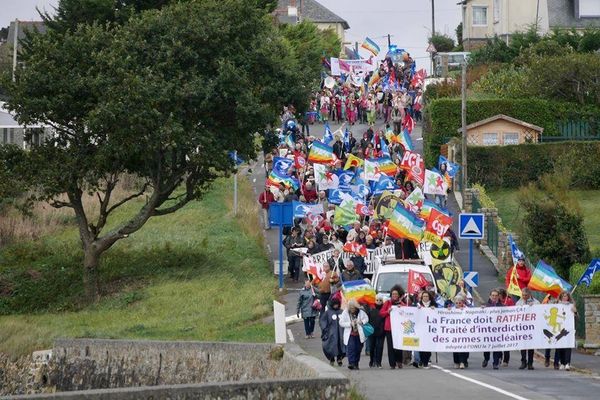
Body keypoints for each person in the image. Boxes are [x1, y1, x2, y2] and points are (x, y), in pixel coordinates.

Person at [380, 284, 407, 369]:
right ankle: (392, 364)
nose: (394, 295)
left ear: (399, 295)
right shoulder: (387, 303)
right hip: (389, 328)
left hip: (399, 328)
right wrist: (388, 311)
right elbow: (381, 313)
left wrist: (401, 308)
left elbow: (407, 314)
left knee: (398, 346)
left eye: (396, 294)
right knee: (390, 346)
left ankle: (399, 361)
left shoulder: (402, 304)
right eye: (393, 294)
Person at [340, 299, 369, 370]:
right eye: (350, 308)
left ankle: (356, 363)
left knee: (358, 349)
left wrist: (361, 322)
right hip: (350, 334)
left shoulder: (361, 312)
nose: (352, 309)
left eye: (353, 308)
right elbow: (341, 322)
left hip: (359, 334)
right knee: (351, 348)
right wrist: (350, 324)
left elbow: (366, 319)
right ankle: (351, 363)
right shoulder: (345, 312)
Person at [516, 288, 539, 370]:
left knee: (530, 346)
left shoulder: (536, 302)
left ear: (529, 294)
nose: (524, 297)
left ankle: (530, 363)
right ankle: (523, 361)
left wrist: (533, 307)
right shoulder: (519, 302)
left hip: (531, 327)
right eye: (523, 295)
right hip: (522, 327)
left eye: (526, 295)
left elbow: (539, 311)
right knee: (523, 345)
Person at [320, 295, 346, 366]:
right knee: (331, 346)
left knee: (340, 346)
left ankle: (339, 358)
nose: (336, 306)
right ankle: (332, 358)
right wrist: (325, 330)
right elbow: (323, 321)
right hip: (331, 333)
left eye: (337, 304)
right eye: (334, 305)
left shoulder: (341, 312)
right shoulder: (328, 312)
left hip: (341, 333)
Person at [482, 289, 504, 370]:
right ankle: (486, 359)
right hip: (488, 330)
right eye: (493, 295)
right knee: (487, 347)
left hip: (498, 330)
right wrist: (482, 310)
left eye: (496, 295)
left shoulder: (502, 306)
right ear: (490, 296)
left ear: (498, 296)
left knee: (497, 347)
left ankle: (495, 363)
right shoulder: (485, 305)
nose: (494, 297)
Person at [556, 291, 577, 370]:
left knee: (568, 345)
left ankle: (568, 363)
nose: (565, 298)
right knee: (561, 346)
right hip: (559, 328)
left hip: (568, 328)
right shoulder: (557, 305)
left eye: (566, 296)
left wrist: (574, 311)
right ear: (561, 297)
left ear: (568, 297)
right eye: (563, 296)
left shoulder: (571, 306)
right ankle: (562, 362)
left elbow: (576, 317)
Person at [417, 290, 436, 369]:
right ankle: (422, 360)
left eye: (427, 296)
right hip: (421, 329)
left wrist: (434, 309)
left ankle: (426, 361)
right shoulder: (418, 305)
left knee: (428, 346)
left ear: (429, 297)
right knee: (421, 346)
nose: (425, 297)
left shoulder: (433, 305)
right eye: (424, 296)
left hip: (430, 329)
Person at [367, 294, 386, 368]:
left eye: (380, 300)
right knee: (372, 347)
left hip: (381, 331)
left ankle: (378, 362)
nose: (378, 301)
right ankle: (372, 360)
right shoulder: (371, 309)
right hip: (372, 331)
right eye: (377, 300)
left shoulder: (384, 309)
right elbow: (367, 320)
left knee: (380, 347)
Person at [452, 294, 470, 369]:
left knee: (464, 347)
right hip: (454, 332)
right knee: (455, 347)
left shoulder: (467, 310)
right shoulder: (452, 310)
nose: (458, 304)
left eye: (460, 303)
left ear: (463, 302)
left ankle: (463, 361)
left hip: (465, 332)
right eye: (457, 303)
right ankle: (456, 361)